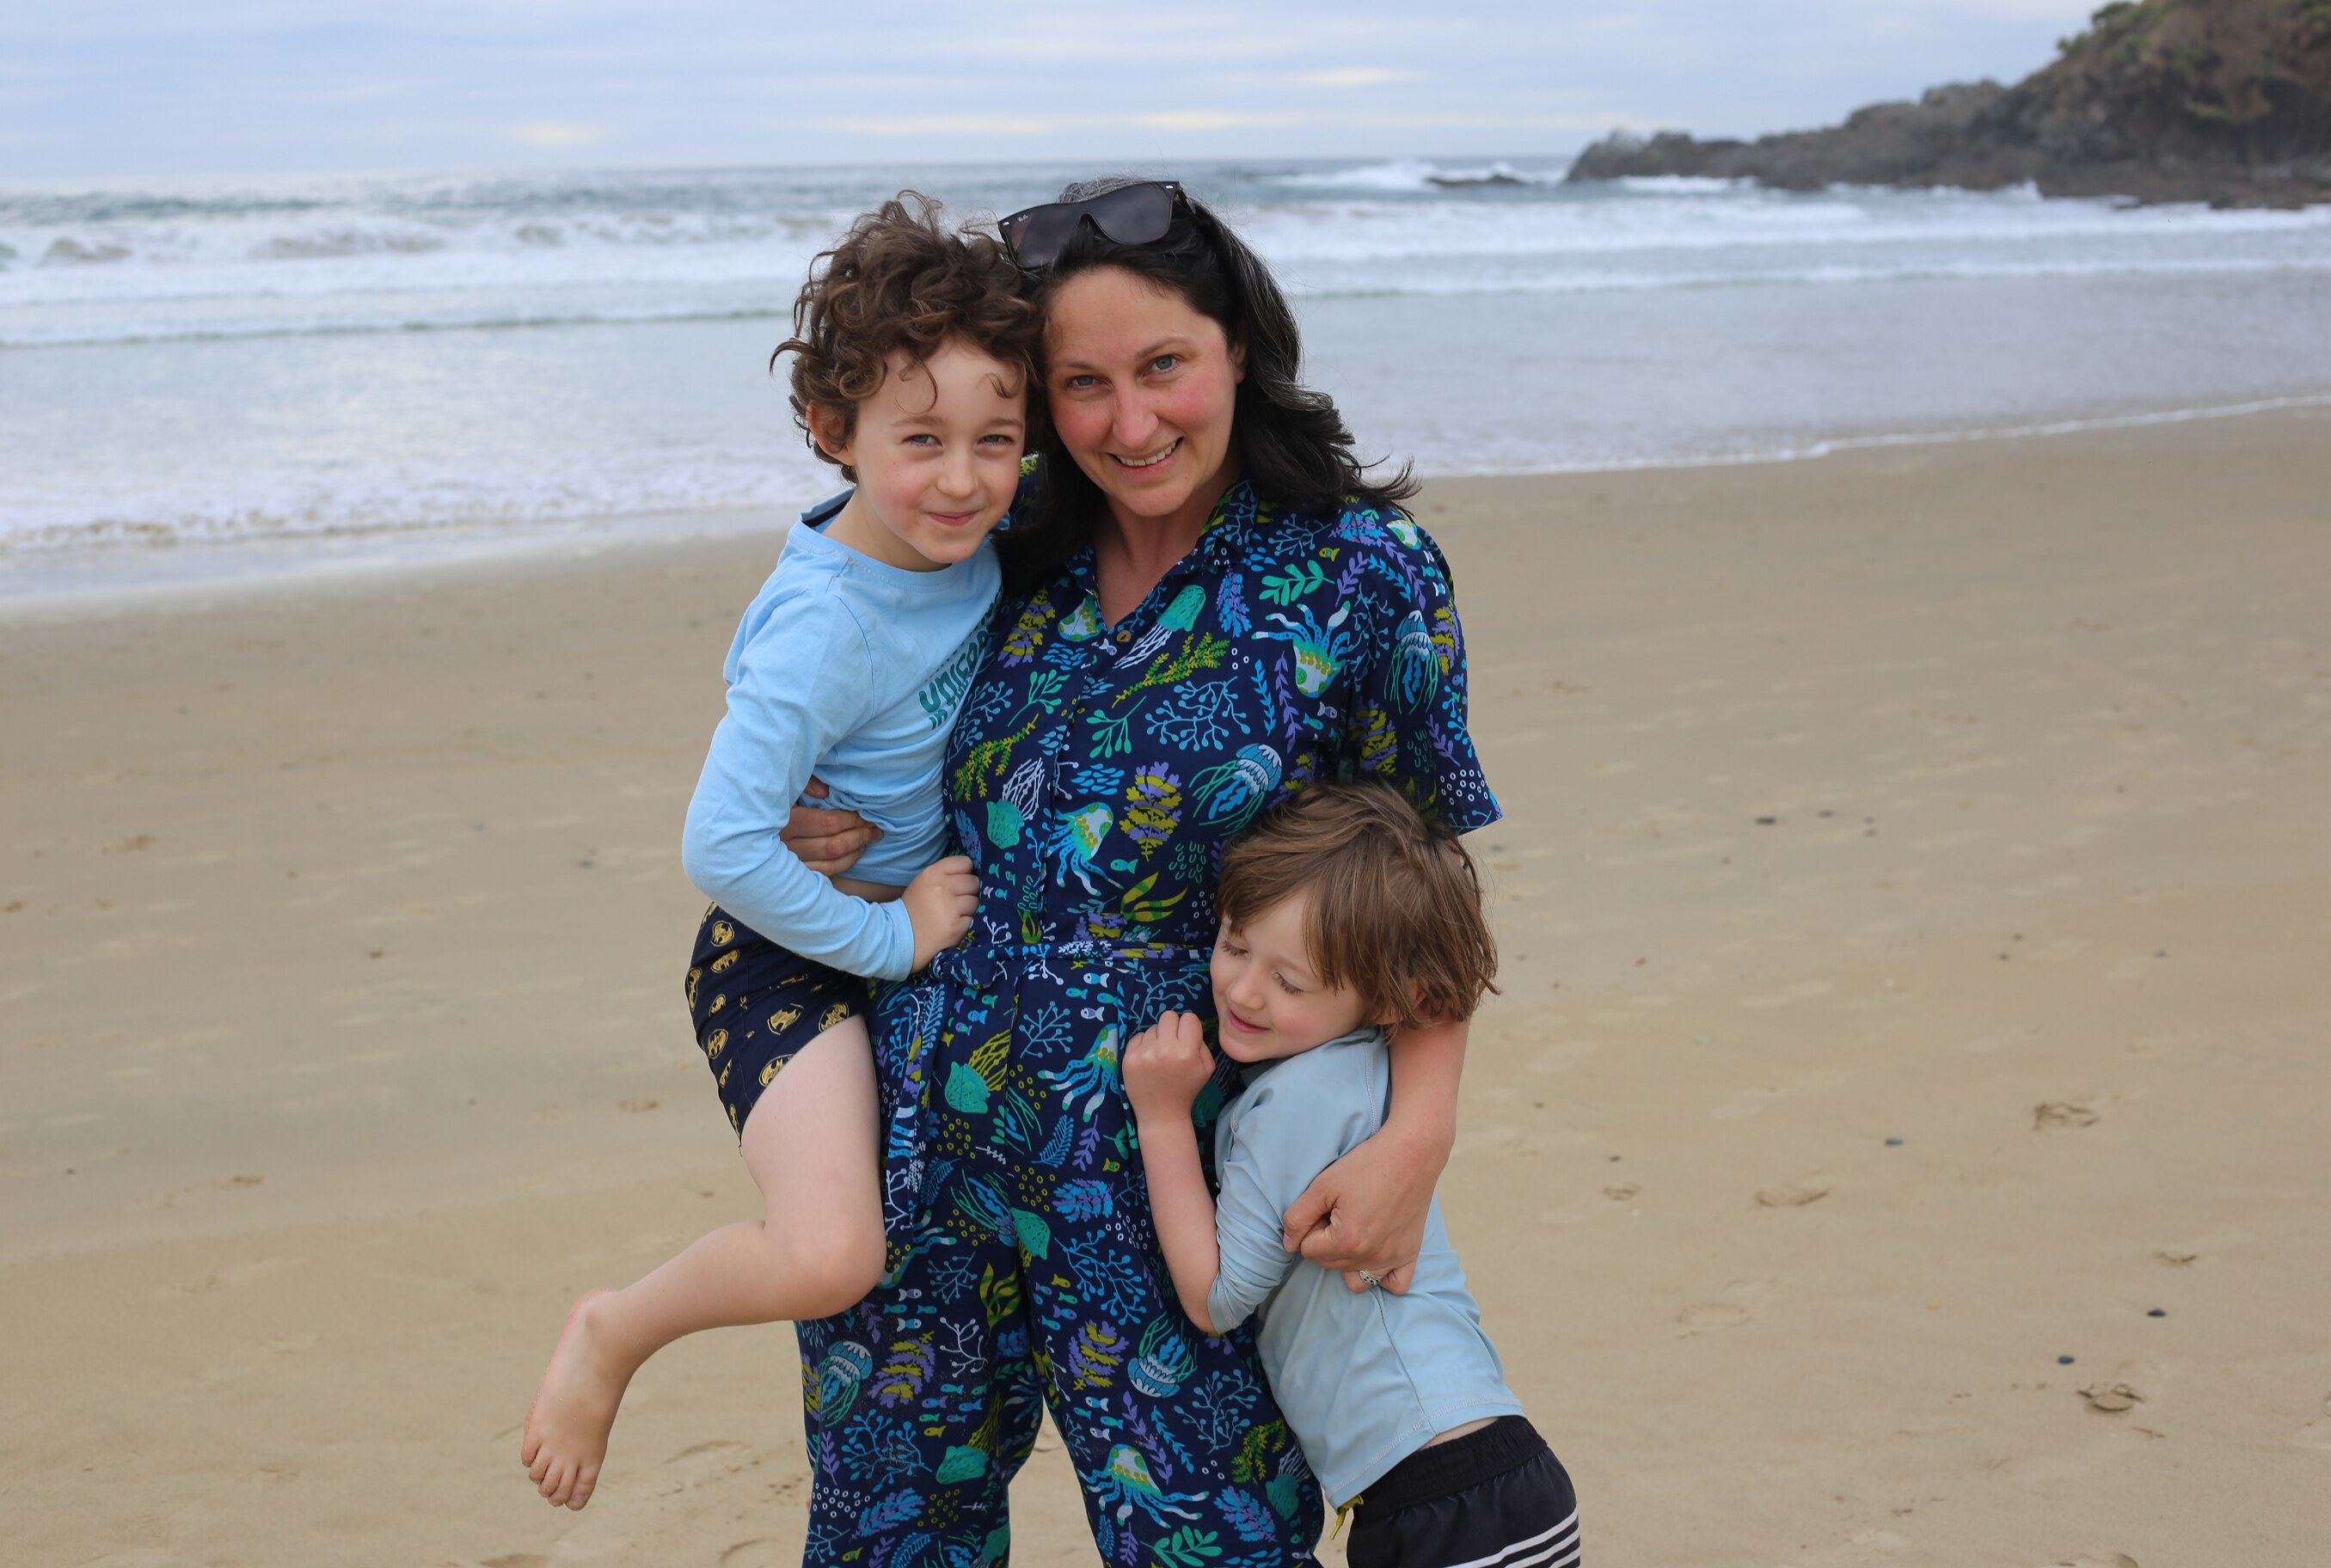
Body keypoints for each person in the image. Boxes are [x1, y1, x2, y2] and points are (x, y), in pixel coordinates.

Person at [770, 176, 1503, 1565]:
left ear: (1238, 347)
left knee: (1210, 1545)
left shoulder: (1359, 576)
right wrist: (827, 815)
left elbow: (1427, 894)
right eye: (1082, 384)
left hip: (1175, 1188)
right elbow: (830, 642)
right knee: (881, 1537)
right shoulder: (991, 538)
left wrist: (1418, 1132)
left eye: (1163, 365)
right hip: (923, 1151)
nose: (1130, 421)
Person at [518, 195, 1034, 1511]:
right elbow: (722, 842)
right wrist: (890, 937)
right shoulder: (825, 624)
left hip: (875, 940)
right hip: (783, 956)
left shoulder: (970, 544)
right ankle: (614, 1328)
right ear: (832, 432)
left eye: (996, 438)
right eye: (920, 440)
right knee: (828, 1257)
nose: (965, 478)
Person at [1123, 781, 1579, 1568]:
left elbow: (1217, 1298)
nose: (1241, 990)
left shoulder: (1294, 1104)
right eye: (1234, 944)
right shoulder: (1368, 1075)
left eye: (1289, 982)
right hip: (1486, 1468)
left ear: (1386, 1000)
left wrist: (1163, 1119)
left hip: (1437, 1493)